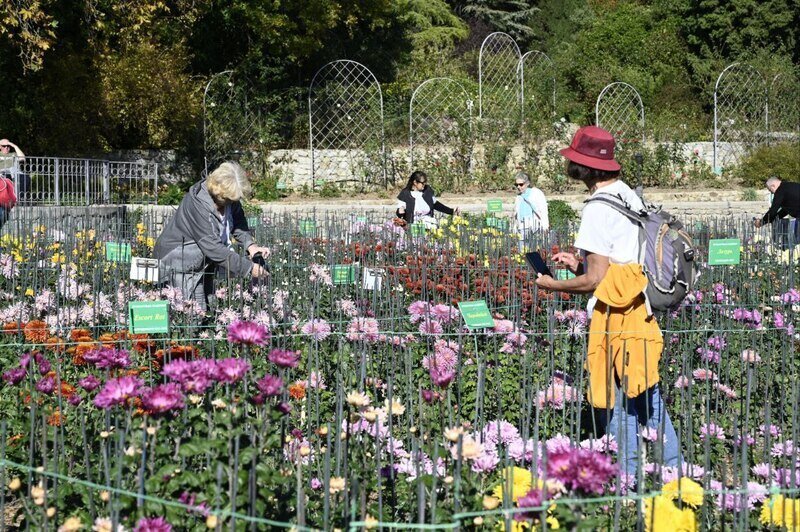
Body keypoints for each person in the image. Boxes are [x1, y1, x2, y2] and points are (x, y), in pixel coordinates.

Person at [534, 126, 680, 477]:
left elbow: (597, 279)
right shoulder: (628, 194)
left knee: (617, 401)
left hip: (616, 315)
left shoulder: (598, 207)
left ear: (583, 169)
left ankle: (626, 483)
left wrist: (552, 284)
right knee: (648, 396)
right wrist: (580, 263)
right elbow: (622, 258)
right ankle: (676, 475)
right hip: (638, 309)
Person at [154, 161, 270, 311]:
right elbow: (213, 247)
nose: (233, 203)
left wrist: (251, 245)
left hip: (201, 262)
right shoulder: (197, 204)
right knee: (193, 313)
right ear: (220, 195)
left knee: (210, 308)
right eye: (230, 200)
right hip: (178, 261)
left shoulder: (229, 197)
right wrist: (248, 268)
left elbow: (238, 221)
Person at [754, 177, 799, 248]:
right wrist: (773, 219)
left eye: (770, 190)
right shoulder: (790, 186)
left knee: (797, 242)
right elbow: (785, 210)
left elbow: (773, 210)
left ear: (773, 186)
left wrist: (761, 222)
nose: (771, 192)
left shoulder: (780, 190)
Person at [513, 172, 549, 248]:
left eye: (521, 184)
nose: (518, 187)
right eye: (516, 185)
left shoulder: (536, 193)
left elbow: (543, 210)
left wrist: (545, 226)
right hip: (522, 227)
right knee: (522, 252)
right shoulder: (519, 197)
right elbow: (516, 214)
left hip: (534, 227)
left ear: (527, 183)